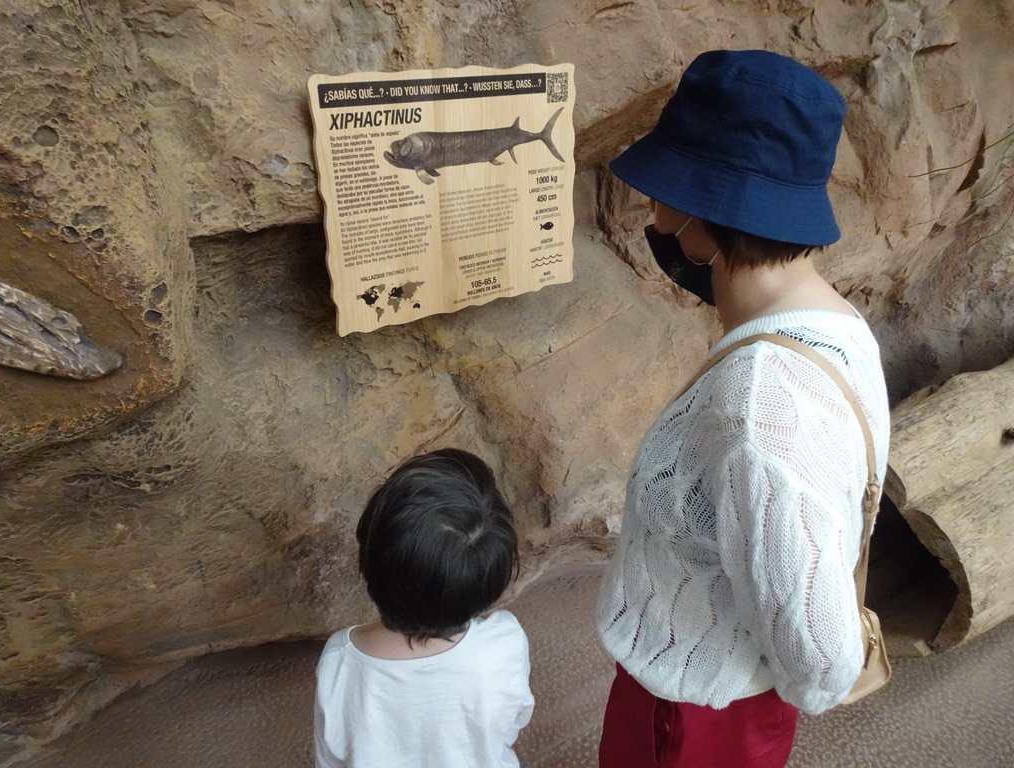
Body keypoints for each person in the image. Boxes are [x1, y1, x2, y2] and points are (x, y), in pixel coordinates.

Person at [595, 50, 891, 768]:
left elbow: (822, 658)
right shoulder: (837, 325)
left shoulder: (760, 401)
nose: (655, 214)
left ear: (700, 211)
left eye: (667, 189)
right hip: (725, 688)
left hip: (696, 713)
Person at [313, 448, 534, 768]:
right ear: (491, 582)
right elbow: (511, 722)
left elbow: (329, 760)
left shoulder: (340, 660)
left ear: (369, 564)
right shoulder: (505, 644)